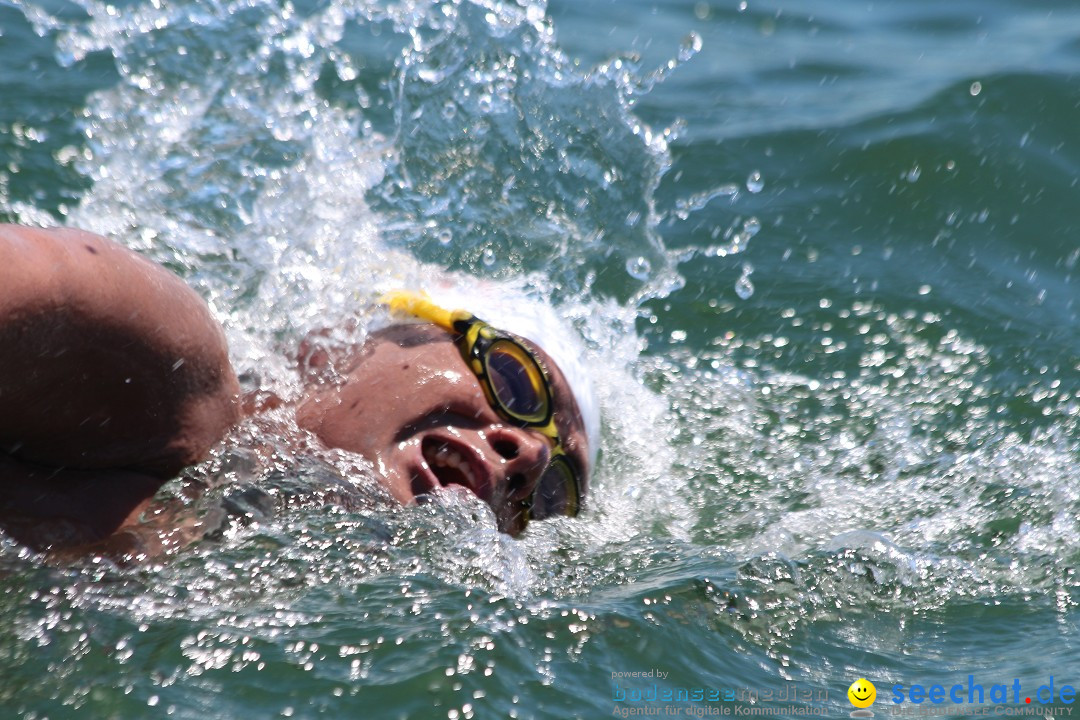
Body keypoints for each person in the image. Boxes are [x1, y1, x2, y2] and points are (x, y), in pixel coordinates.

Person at [0, 224, 595, 560]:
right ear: (337, 341)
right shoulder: (171, 376)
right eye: (517, 380)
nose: (534, 457)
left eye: (554, 497)